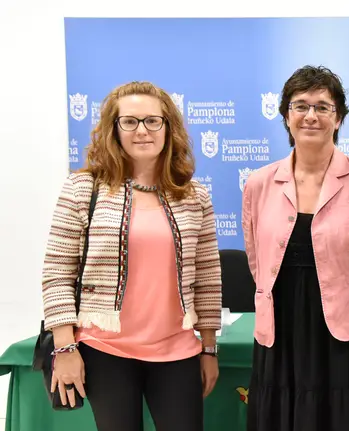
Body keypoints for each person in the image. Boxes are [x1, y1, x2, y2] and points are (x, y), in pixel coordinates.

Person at [41, 81, 222, 431]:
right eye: (130, 122)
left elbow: (208, 276)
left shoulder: (195, 196)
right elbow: (57, 273)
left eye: (153, 121)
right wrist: (64, 349)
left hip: (177, 351)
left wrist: (209, 348)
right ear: (114, 129)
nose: (142, 131)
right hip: (105, 350)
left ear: (169, 128)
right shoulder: (83, 189)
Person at [241, 65, 349, 431]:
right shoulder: (259, 183)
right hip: (280, 326)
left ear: (339, 118)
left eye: (323, 107)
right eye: (300, 105)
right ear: (286, 116)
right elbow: (256, 259)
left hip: (347, 334)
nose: (311, 115)